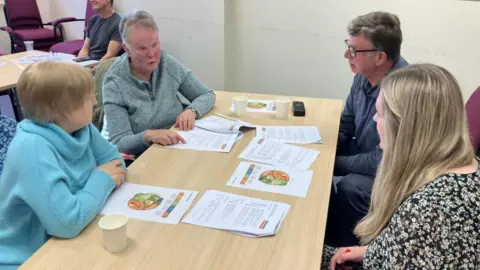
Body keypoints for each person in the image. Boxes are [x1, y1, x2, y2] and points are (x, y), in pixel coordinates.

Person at [322, 63, 480, 269]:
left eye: (380, 113)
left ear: (405, 126)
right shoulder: (465, 170)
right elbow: (412, 246)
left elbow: (419, 240)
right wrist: (372, 251)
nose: (374, 119)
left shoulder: (425, 213)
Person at [0, 62, 126, 269]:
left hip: (75, 233)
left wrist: (90, 192)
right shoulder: (32, 149)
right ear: (64, 110)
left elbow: (117, 164)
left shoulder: (80, 127)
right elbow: (67, 223)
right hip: (28, 256)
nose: (95, 101)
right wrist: (101, 179)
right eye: (88, 97)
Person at [325, 11, 408, 247]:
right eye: (347, 46)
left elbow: (382, 160)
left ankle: (345, 250)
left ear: (380, 57)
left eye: (353, 50)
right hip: (366, 152)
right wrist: (324, 147)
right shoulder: (363, 75)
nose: (346, 54)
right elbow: (347, 123)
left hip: (393, 172)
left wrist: (331, 161)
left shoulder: (401, 91)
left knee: (351, 186)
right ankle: (325, 230)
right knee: (317, 159)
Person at [102, 10, 216, 156]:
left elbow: (206, 94)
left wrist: (191, 111)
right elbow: (120, 142)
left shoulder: (165, 62)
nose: (152, 54)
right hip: (145, 156)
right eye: (142, 48)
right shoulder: (114, 83)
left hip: (179, 144)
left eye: (155, 44)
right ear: (126, 49)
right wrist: (148, 136)